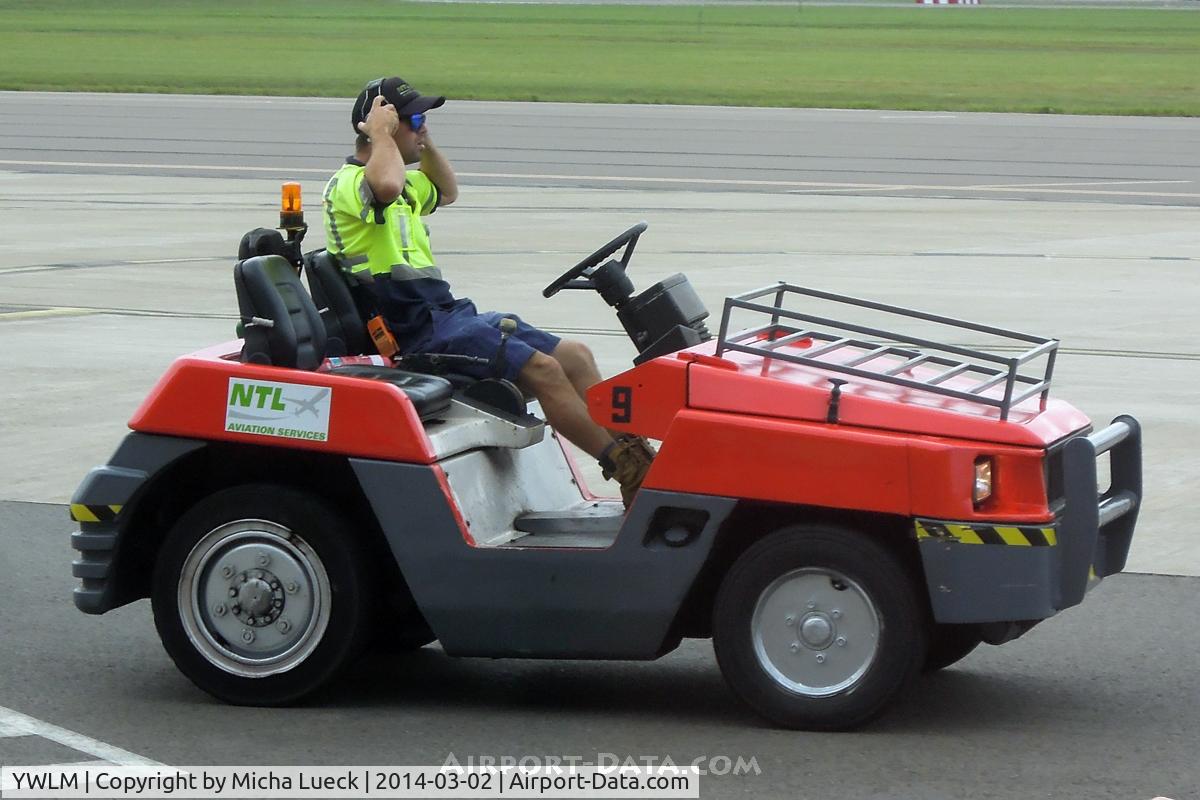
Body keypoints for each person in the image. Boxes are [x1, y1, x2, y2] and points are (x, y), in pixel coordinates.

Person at [322, 77, 653, 505]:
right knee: (545, 370)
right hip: (414, 332)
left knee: (575, 356)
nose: (422, 127)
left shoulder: (402, 184)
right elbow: (383, 186)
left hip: (448, 316)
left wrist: (423, 138)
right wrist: (382, 133)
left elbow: (447, 190)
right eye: (415, 119)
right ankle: (629, 472)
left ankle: (643, 457)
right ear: (378, 125)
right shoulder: (349, 184)